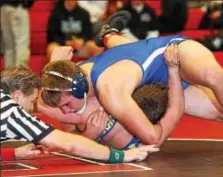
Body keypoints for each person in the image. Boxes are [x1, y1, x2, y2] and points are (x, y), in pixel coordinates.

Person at [40, 22, 223, 152]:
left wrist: (174, 69)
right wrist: (53, 63)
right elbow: (154, 138)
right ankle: (109, 34)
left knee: (213, 75)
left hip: (170, 54)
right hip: (159, 78)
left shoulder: (111, 92)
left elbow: (153, 137)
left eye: (67, 105)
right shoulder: (66, 81)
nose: (66, 113)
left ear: (79, 89)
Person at [0, 66, 159, 163]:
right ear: (17, 95)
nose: (30, 108)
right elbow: (69, 143)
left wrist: (12, 153)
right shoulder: (12, 113)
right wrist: (122, 156)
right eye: (32, 100)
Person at [0, 0, 34, 68]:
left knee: (9, 47)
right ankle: (20, 75)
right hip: (17, 6)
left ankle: (8, 76)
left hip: (3, 8)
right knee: (21, 43)